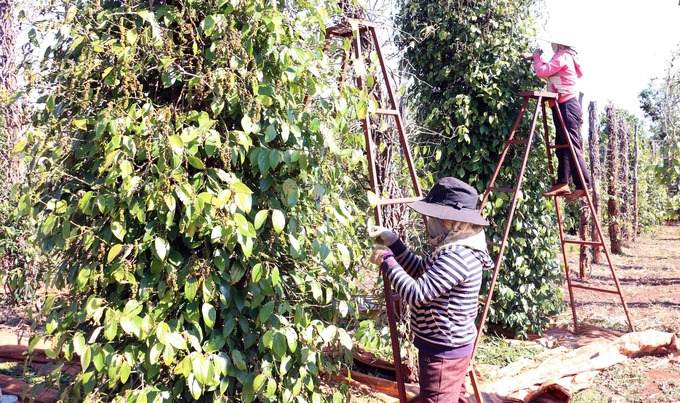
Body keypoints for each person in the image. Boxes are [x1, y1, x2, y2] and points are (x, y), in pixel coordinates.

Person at [368, 177, 494, 403]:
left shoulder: (457, 256)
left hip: (444, 351)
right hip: (448, 345)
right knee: (451, 398)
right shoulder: (455, 248)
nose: (431, 222)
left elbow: (416, 295)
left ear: (451, 221)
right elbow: (419, 270)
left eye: (436, 218)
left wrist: (388, 261)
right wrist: (394, 243)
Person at [529, 32, 592, 202]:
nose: (551, 45)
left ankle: (584, 185)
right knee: (562, 145)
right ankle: (563, 181)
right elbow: (549, 66)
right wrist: (533, 57)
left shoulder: (563, 56)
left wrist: (536, 58)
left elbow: (542, 71)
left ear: (559, 44)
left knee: (571, 145)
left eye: (553, 43)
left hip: (566, 105)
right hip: (561, 105)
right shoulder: (564, 56)